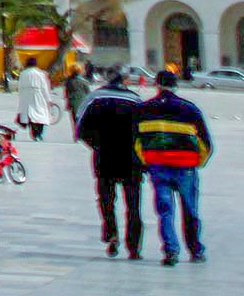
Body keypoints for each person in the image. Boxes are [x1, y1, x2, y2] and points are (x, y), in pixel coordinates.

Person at [135, 70, 213, 266]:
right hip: (185, 167)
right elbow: (206, 143)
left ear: (157, 84)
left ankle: (171, 251)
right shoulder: (190, 109)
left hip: (158, 166)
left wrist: (147, 161)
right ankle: (195, 250)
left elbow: (136, 142)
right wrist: (197, 162)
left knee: (165, 210)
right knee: (190, 210)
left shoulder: (144, 109)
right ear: (175, 85)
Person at [76, 67, 146, 260]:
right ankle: (134, 246)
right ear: (124, 80)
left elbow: (80, 128)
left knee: (106, 199)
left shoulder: (94, 98)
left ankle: (112, 233)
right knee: (133, 204)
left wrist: (96, 145)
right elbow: (145, 131)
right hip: (131, 159)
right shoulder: (136, 100)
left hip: (104, 156)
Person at [16, 62, 53, 142]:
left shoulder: (23, 74)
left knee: (30, 115)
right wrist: (48, 99)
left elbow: (20, 86)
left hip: (26, 96)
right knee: (41, 114)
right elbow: (44, 87)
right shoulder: (41, 74)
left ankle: (34, 133)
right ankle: (39, 133)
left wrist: (21, 97)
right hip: (38, 95)